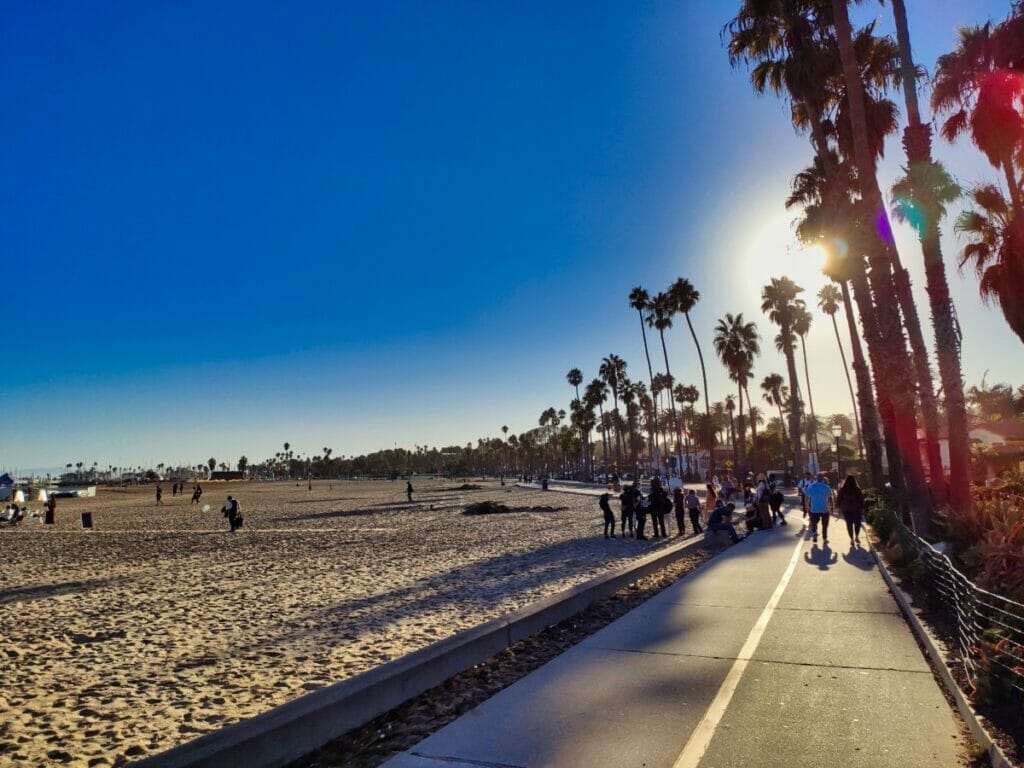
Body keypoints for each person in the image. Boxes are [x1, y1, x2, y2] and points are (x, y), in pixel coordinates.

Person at [804, 472, 834, 545]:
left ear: (816, 478)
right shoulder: (826, 487)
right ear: (823, 478)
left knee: (814, 523)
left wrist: (807, 506)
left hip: (814, 508)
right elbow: (830, 498)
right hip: (824, 509)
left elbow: (807, 498)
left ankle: (814, 533)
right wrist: (832, 507)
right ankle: (824, 538)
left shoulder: (811, 486)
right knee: (825, 524)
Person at [836, 474, 865, 547]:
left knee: (849, 524)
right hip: (856, 509)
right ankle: (857, 537)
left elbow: (839, 499)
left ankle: (851, 539)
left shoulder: (842, 489)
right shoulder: (857, 489)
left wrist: (838, 508)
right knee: (857, 524)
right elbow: (861, 499)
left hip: (846, 509)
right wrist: (862, 508)